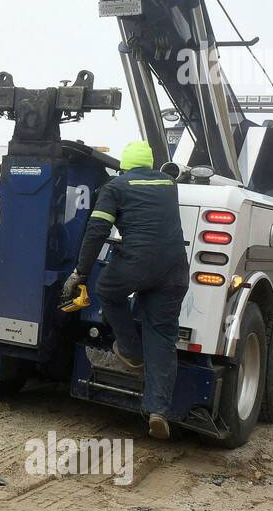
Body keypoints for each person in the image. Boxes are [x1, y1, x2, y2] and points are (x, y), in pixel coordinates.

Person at [62, 140, 189, 439]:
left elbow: (97, 231)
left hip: (135, 264)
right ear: (150, 164)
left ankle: (131, 350)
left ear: (124, 166)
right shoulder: (169, 184)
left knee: (107, 290)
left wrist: (80, 272)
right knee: (162, 335)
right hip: (173, 269)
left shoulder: (116, 187)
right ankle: (158, 410)